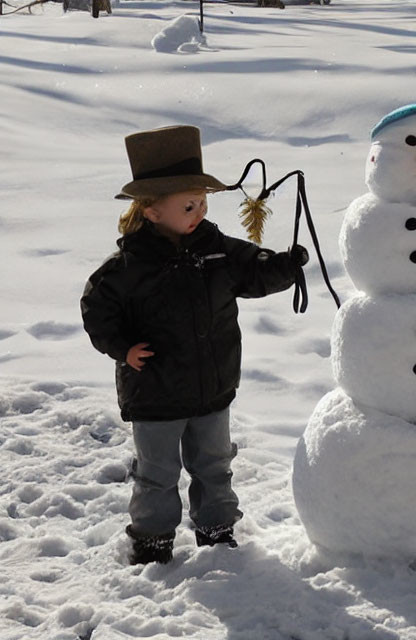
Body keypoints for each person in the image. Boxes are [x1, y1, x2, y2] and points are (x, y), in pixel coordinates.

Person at [80, 125, 309, 565]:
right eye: (188, 205)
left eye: (202, 203)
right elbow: (97, 310)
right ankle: (152, 539)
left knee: (215, 464)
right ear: (151, 211)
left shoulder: (215, 248)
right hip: (155, 392)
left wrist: (285, 266)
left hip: (212, 387)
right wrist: (124, 348)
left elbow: (252, 270)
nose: (199, 212)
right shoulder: (129, 266)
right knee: (158, 473)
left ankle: (217, 529)